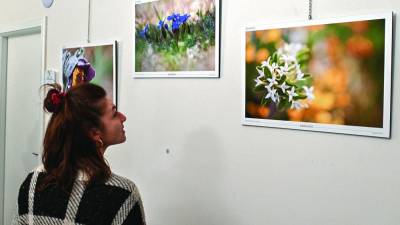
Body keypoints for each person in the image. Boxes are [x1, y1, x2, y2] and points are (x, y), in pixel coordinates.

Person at [12, 83, 145, 225]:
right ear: (94, 133)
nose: (123, 117)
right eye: (114, 114)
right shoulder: (122, 196)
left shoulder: (32, 184)